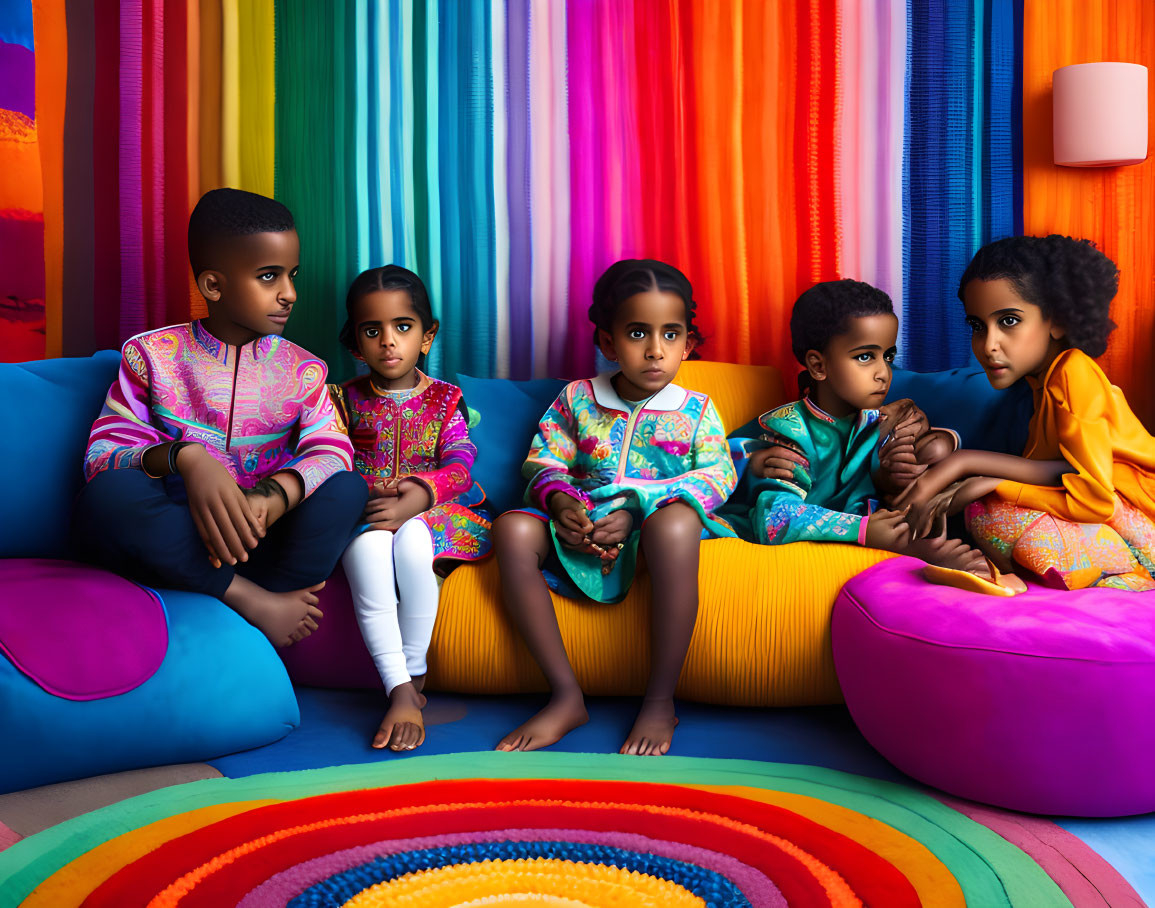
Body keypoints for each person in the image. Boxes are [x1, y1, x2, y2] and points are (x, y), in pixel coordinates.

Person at [71, 188, 367, 646]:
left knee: (348, 487)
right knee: (106, 497)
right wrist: (185, 458)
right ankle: (248, 601)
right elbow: (102, 454)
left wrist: (275, 497)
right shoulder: (152, 356)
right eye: (269, 277)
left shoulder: (304, 370)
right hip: (180, 540)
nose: (289, 294)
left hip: (262, 540)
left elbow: (332, 449)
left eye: (292, 275)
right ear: (213, 285)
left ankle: (279, 602)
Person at [492, 259, 737, 756]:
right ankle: (565, 695)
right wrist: (560, 502)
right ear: (608, 343)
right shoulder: (576, 399)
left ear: (688, 344)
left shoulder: (697, 409)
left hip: (656, 537)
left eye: (671, 335)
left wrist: (638, 510)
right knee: (512, 530)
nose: (655, 350)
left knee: (672, 526)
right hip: (584, 527)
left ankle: (659, 700)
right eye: (637, 333)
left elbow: (719, 475)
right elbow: (544, 459)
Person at [896, 235, 1155, 591]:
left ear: (1057, 320)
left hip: (1142, 521)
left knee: (991, 512)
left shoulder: (1073, 373)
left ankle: (1126, 578)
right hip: (1115, 516)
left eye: (1009, 321)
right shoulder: (1041, 384)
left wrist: (992, 480)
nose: (988, 345)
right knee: (980, 506)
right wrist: (968, 469)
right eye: (977, 326)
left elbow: (1094, 497)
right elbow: (1062, 470)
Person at [725, 279, 1017, 591]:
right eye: (865, 357)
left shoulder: (876, 421)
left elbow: (888, 473)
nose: (883, 373)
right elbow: (774, 520)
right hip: (800, 542)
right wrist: (864, 530)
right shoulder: (789, 431)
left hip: (871, 529)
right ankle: (925, 556)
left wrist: (910, 461)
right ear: (818, 365)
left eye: (887, 356)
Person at [333, 265, 491, 751]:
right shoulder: (341, 399)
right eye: (372, 330)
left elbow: (462, 462)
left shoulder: (446, 400)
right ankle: (398, 687)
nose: (388, 341)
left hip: (439, 512)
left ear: (427, 335)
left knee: (413, 543)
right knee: (369, 553)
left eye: (403, 327)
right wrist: (367, 493)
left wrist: (423, 493)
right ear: (356, 343)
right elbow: (331, 459)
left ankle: (415, 672)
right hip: (370, 513)